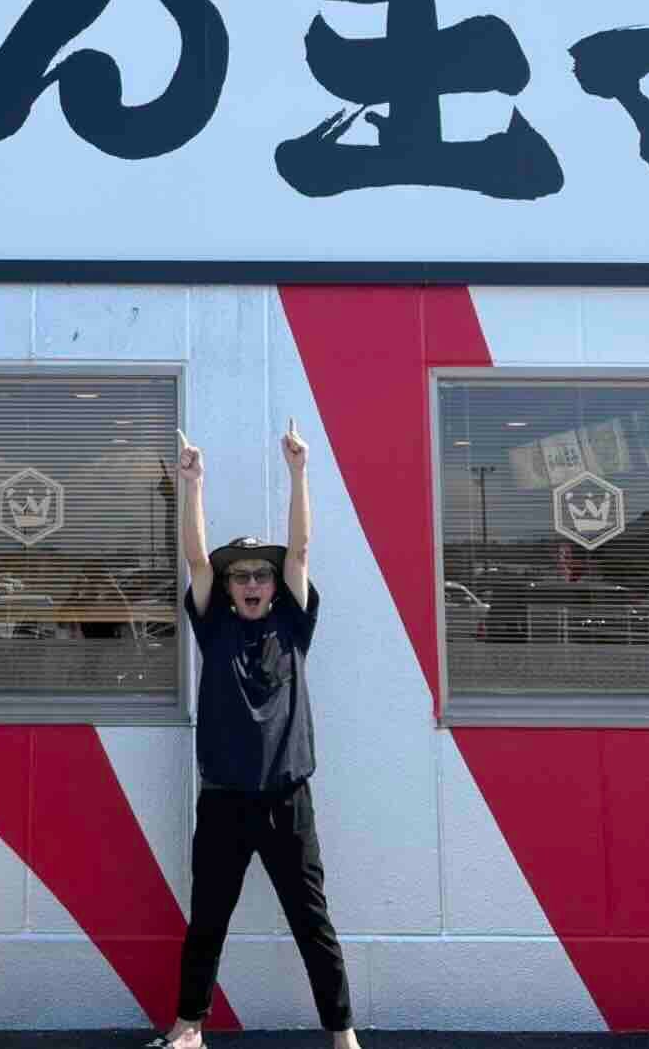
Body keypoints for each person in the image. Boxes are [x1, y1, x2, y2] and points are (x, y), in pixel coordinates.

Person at [153, 419, 362, 1049]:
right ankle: (189, 1027)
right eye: (240, 576)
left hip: (286, 801)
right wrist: (194, 485)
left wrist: (300, 473)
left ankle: (342, 1034)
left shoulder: (293, 625)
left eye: (259, 576)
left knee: (312, 923)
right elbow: (195, 556)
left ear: (274, 587)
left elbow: (299, 550)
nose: (250, 584)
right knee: (207, 922)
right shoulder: (213, 624)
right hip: (223, 800)